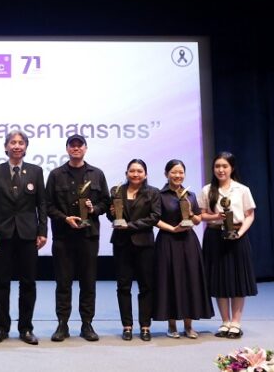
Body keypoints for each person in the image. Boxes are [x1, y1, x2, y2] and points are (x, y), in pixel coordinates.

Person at [0, 130, 47, 345]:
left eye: (21, 142)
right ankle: (1, 328)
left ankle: (26, 328)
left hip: (28, 235)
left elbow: (42, 204)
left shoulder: (36, 171)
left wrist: (43, 231)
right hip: (2, 235)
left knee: (28, 283)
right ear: (6, 147)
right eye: (13, 142)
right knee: (1, 282)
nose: (17, 146)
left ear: (26, 147)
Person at [45, 134, 109, 342]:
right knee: (63, 283)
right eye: (72, 146)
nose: (76, 148)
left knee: (88, 283)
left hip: (88, 237)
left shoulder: (97, 174)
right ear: (67, 149)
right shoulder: (56, 174)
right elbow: (48, 205)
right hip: (63, 237)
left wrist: (94, 208)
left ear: (85, 148)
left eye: (79, 145)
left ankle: (87, 324)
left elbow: (106, 203)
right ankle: (62, 325)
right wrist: (65, 218)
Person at [198, 151, 256, 339]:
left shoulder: (242, 189)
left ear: (232, 168)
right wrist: (216, 216)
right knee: (219, 279)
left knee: (238, 279)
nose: (220, 170)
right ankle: (224, 321)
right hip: (215, 237)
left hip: (238, 236)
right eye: (217, 166)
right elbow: (201, 215)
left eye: (224, 166)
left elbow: (250, 215)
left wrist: (239, 233)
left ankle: (236, 323)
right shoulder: (207, 190)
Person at [153, 159, 214, 339]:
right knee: (169, 280)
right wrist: (172, 229)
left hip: (188, 242)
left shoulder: (191, 195)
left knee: (190, 280)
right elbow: (155, 219)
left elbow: (197, 220)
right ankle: (171, 325)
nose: (178, 175)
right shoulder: (159, 195)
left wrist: (191, 212)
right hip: (167, 240)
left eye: (181, 172)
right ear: (166, 174)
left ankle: (188, 326)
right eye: (174, 172)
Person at [107, 158, 160, 341]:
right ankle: (127, 326)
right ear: (126, 173)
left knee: (146, 286)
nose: (135, 174)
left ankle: (145, 326)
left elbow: (155, 217)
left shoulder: (153, 192)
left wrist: (130, 226)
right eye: (132, 171)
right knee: (123, 286)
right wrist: (112, 214)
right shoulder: (117, 191)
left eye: (139, 171)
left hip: (144, 245)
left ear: (145, 174)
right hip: (121, 244)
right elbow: (112, 216)